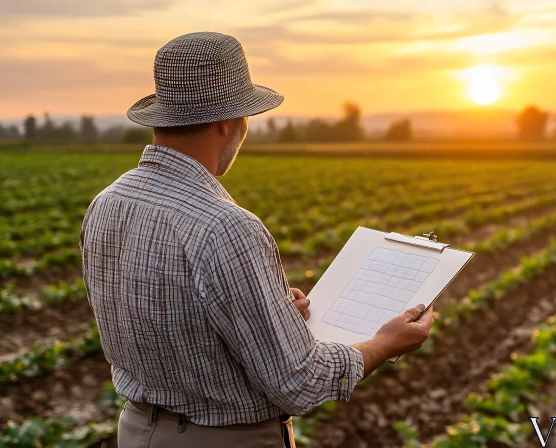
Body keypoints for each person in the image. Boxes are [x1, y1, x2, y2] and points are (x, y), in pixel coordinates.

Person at [79, 32, 434, 448]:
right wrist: (383, 343)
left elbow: (174, 325)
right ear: (228, 124)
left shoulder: (107, 203)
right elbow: (298, 383)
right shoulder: (227, 227)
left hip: (137, 431)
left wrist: (275, 318)